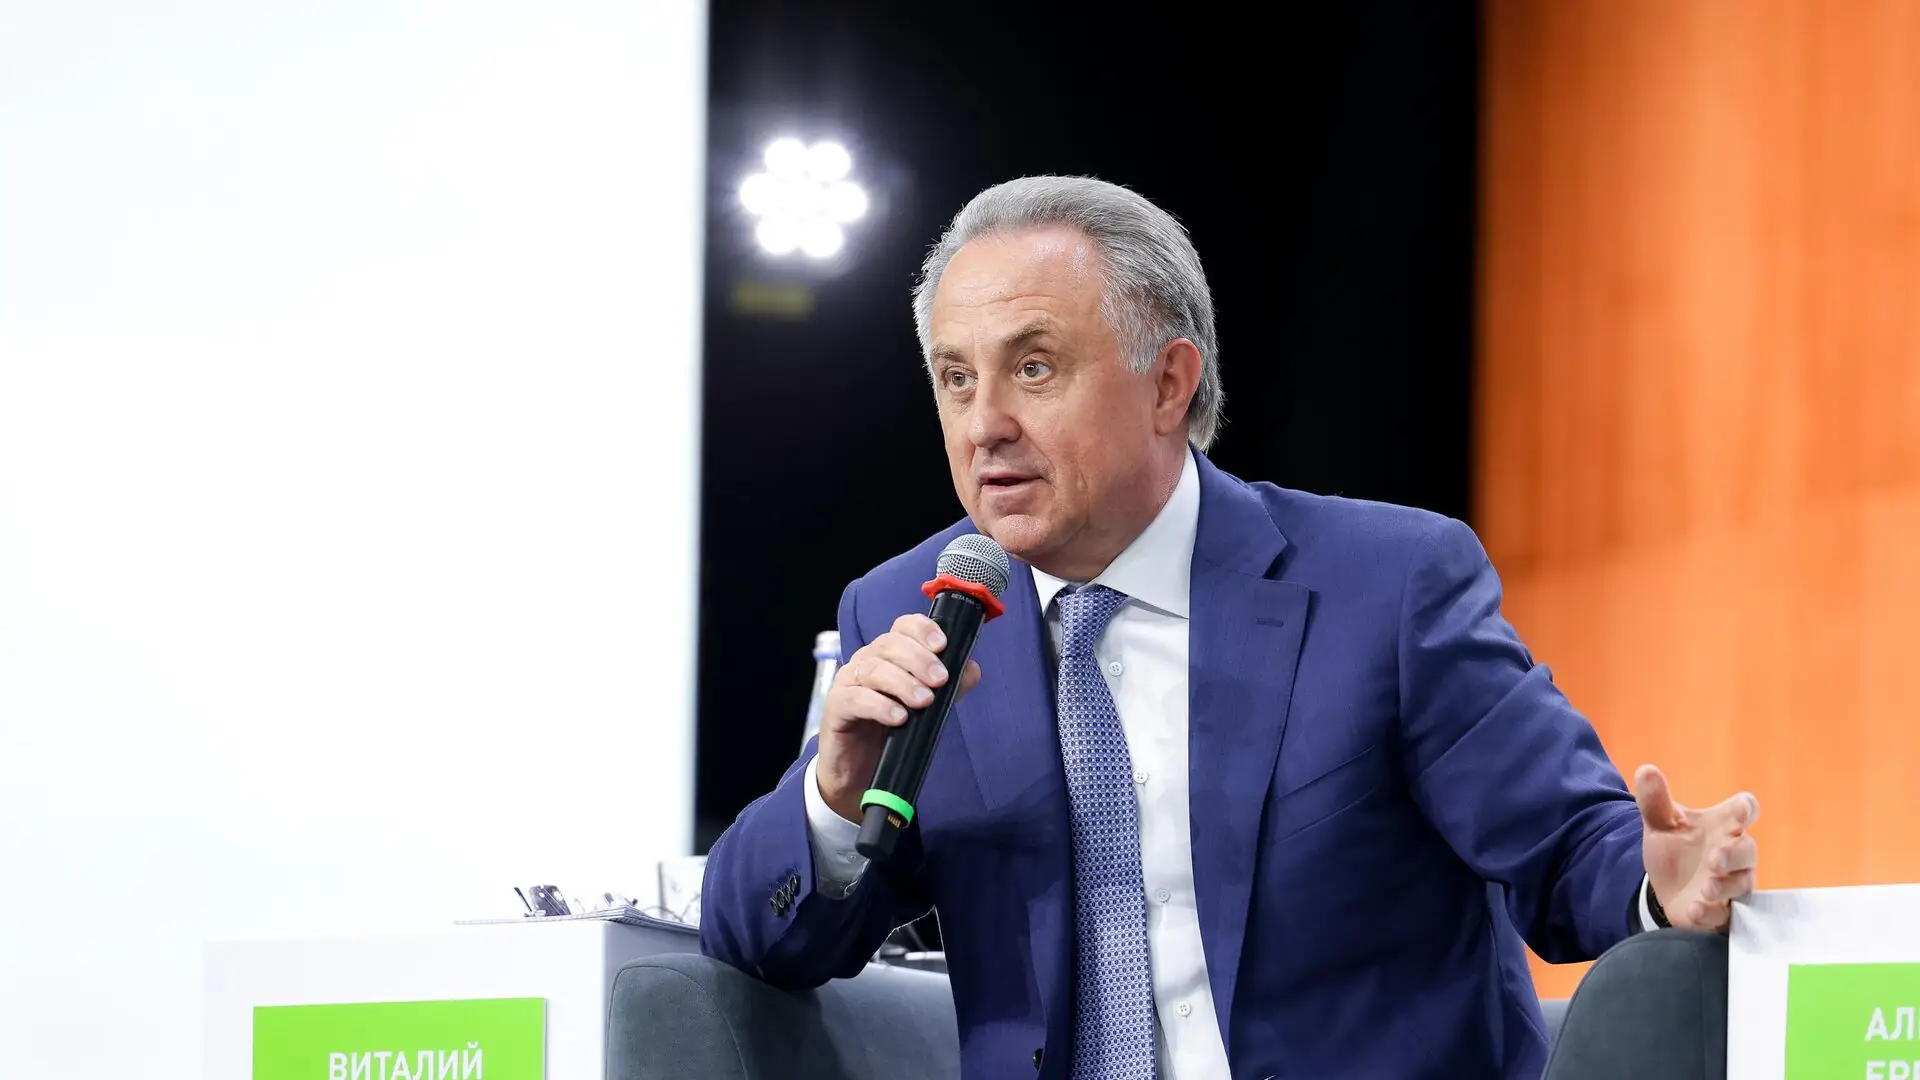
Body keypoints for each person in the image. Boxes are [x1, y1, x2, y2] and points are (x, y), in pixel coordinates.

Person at [699, 176, 1761, 1079]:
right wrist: (835, 793)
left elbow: (1567, 848)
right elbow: (760, 938)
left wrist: (1656, 880)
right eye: (955, 378)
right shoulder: (915, 610)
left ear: (1169, 383)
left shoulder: (1384, 586)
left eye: (1034, 367)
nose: (985, 426)